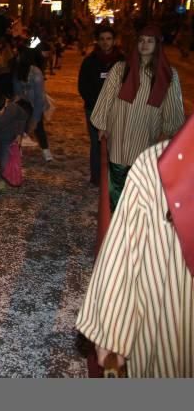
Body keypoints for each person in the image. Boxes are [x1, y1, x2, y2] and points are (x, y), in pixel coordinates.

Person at [76, 114, 194, 377]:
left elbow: (125, 255)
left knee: (124, 207)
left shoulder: (158, 164)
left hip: (126, 153)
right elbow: (174, 115)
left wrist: (109, 329)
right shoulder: (166, 75)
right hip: (147, 143)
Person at [90, 25, 185, 210]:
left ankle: (136, 219)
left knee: (141, 182)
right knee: (117, 180)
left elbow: (173, 105)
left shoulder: (168, 74)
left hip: (147, 135)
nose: (144, 45)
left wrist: (170, 130)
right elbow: (107, 96)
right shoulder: (121, 69)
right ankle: (118, 219)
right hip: (120, 132)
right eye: (141, 40)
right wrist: (102, 123)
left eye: (150, 41)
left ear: (157, 45)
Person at [77, 26, 124, 185]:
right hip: (94, 109)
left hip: (117, 110)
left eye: (108, 39)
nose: (105, 42)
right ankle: (97, 177)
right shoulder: (90, 61)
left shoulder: (122, 61)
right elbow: (83, 86)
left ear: (114, 40)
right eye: (102, 39)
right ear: (98, 40)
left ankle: (114, 177)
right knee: (96, 144)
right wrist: (97, 105)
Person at [13, 47, 53, 162]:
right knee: (18, 124)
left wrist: (35, 119)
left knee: (39, 126)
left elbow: (39, 98)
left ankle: (46, 150)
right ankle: (17, 148)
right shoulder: (17, 70)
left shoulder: (36, 72)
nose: (17, 57)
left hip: (36, 102)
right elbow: (17, 92)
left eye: (19, 55)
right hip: (24, 101)